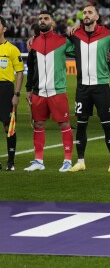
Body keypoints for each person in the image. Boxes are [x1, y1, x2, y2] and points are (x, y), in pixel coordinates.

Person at [67, 5, 110, 172]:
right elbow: (61, 45)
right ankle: (81, 161)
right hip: (82, 86)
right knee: (81, 124)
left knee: (107, 124)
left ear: (97, 16)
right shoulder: (75, 34)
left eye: (90, 12)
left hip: (101, 85)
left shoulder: (107, 34)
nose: (86, 15)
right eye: (84, 13)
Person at [24, 11, 75, 172]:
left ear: (52, 22)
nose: (42, 21)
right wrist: (28, 89)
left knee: (64, 124)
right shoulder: (34, 43)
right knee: (38, 124)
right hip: (39, 91)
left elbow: (81, 50)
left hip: (57, 90)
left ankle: (67, 160)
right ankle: (38, 161)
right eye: (40, 19)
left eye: (46, 18)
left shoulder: (62, 41)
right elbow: (31, 68)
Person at [0, 17, 24, 171]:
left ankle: (10, 162)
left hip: (6, 89)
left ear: (4, 29)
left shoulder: (12, 49)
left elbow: (20, 73)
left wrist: (16, 93)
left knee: (8, 126)